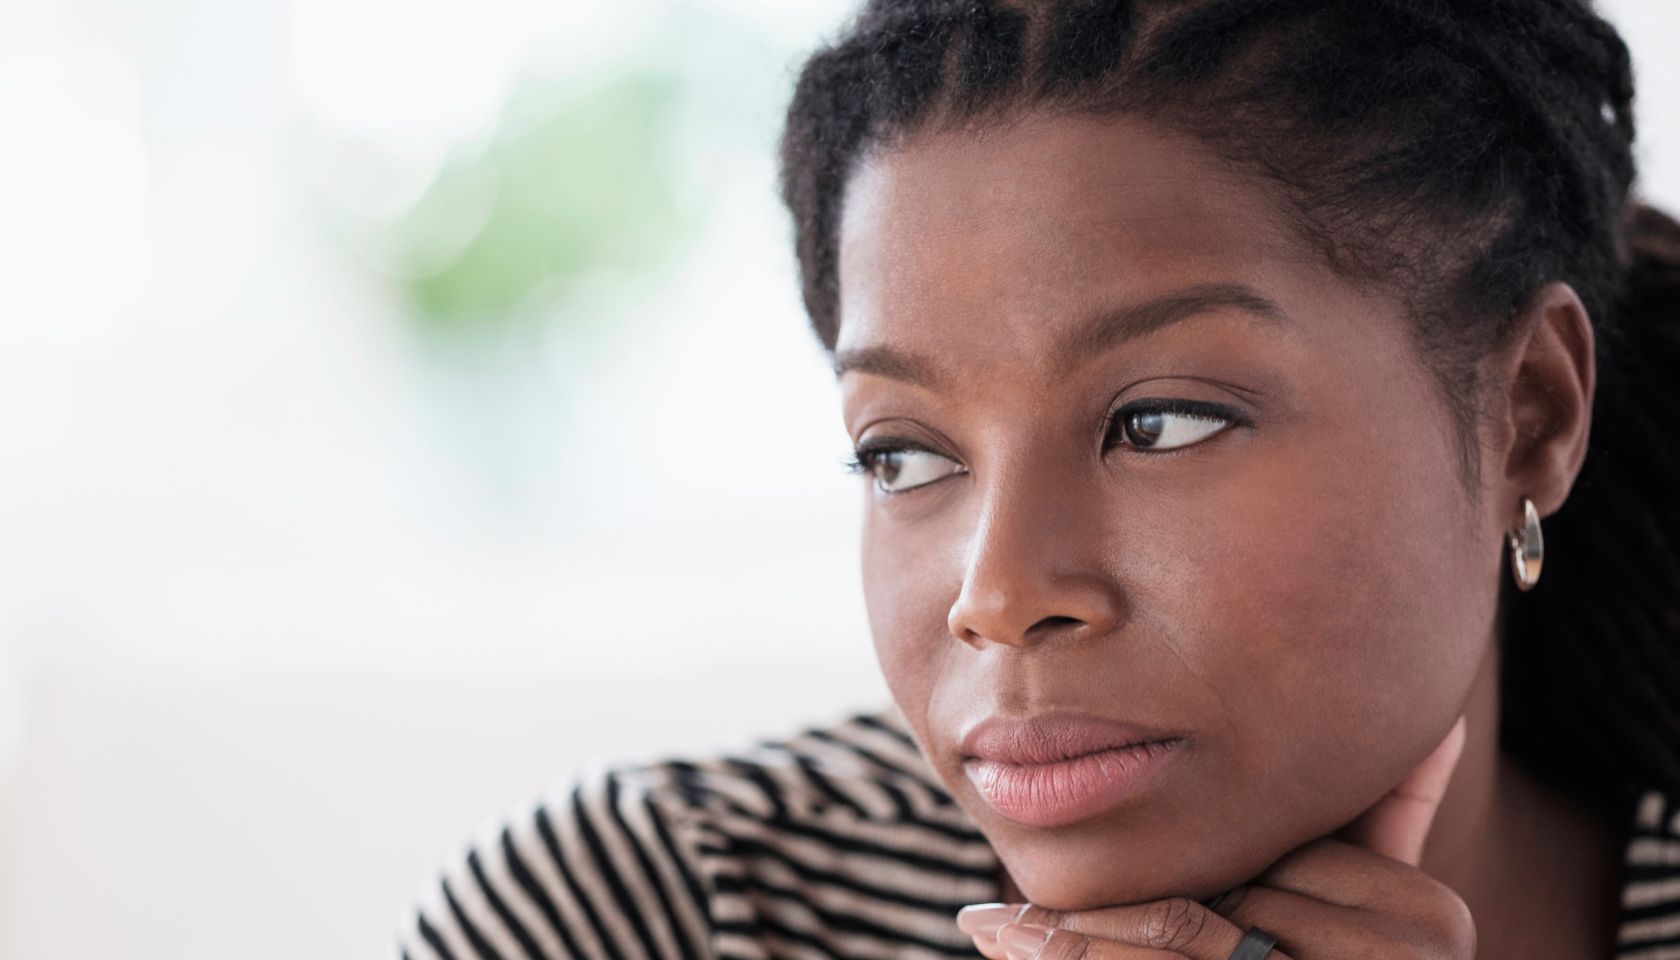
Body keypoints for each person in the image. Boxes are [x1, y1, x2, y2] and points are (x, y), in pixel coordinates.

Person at [394, 1, 1680, 958]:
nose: (997, 594)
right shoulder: (655, 914)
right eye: (903, 454)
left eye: (1161, 423)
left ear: (1528, 415)